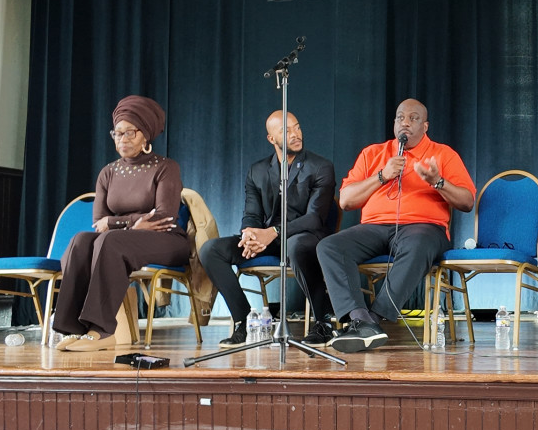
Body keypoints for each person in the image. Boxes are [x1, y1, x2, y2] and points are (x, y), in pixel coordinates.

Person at [318, 99, 477, 353]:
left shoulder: (443, 154)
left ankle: (373, 321)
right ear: (394, 123)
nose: (406, 122)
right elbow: (346, 200)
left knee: (418, 243)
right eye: (400, 117)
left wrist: (437, 181)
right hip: (374, 228)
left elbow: (467, 202)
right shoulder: (373, 153)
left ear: (425, 126)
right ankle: (359, 318)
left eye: (413, 118)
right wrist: (382, 175)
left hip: (423, 228)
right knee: (329, 247)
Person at [52, 95, 191, 352]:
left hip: (167, 239)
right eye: (117, 133)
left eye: (130, 133)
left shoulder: (166, 167)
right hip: (122, 239)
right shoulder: (108, 172)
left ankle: (102, 330)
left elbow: (163, 217)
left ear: (145, 135)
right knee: (80, 241)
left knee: (111, 240)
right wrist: (133, 224)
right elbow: (98, 222)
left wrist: (118, 223)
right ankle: (73, 328)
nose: (122, 139)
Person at [199, 111, 338, 347]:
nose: (295, 134)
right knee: (210, 250)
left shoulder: (320, 167)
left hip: (304, 238)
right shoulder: (258, 170)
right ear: (271, 138)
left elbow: (314, 218)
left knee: (295, 246)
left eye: (297, 127)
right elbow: (252, 214)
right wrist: (250, 235)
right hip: (268, 241)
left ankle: (323, 323)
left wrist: (272, 232)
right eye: (286, 130)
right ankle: (244, 321)